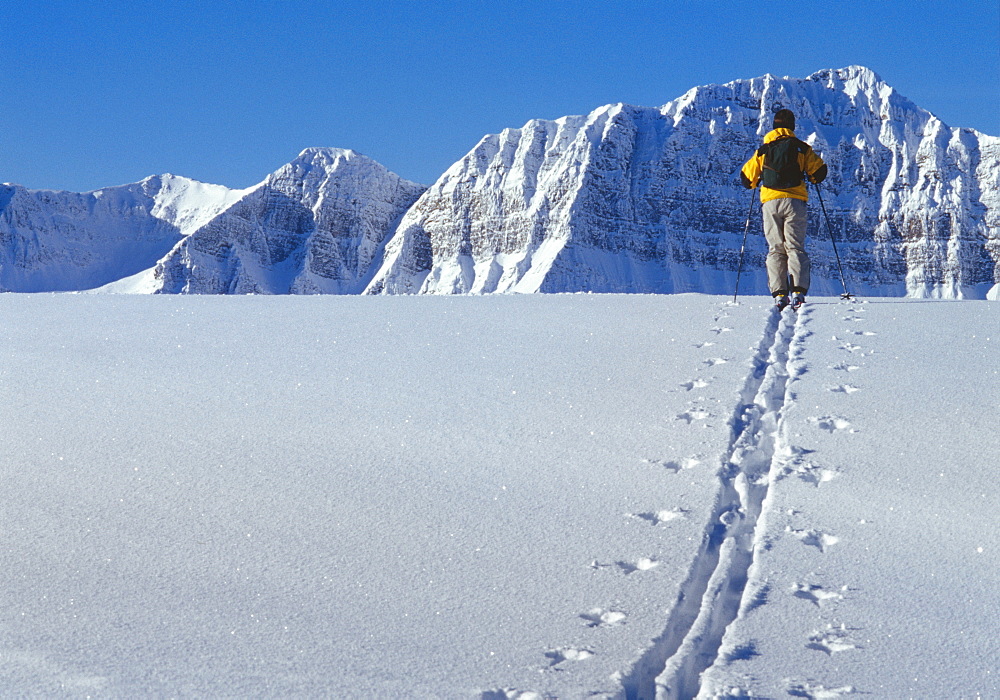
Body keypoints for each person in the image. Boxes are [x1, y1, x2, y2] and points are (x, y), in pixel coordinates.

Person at [740, 109, 828, 310]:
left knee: (776, 247)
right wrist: (810, 176)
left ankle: (780, 294)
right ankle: (797, 292)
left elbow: (746, 179)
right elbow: (820, 172)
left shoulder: (763, 150)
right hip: (795, 201)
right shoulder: (801, 148)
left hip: (770, 203)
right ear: (792, 127)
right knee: (795, 246)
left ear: (774, 126)